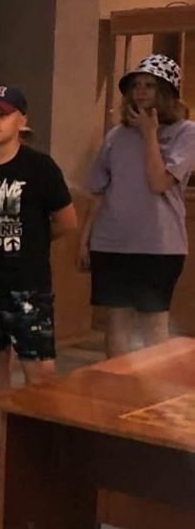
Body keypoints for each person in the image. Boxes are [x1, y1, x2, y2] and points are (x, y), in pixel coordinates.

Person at [0, 86, 76, 478]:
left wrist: (31, 246)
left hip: (27, 284)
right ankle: (4, 446)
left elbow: (66, 222)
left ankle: (43, 451)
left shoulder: (40, 167)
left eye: (1, 115)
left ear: (21, 121)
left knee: (39, 370)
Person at [80, 55, 195, 357]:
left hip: (158, 245)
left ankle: (154, 388)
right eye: (136, 85)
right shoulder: (116, 135)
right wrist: (85, 239)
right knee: (115, 324)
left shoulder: (186, 132)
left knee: (153, 327)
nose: (140, 92)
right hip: (111, 241)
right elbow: (98, 190)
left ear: (167, 92)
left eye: (150, 85)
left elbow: (159, 182)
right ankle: (118, 386)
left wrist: (149, 134)